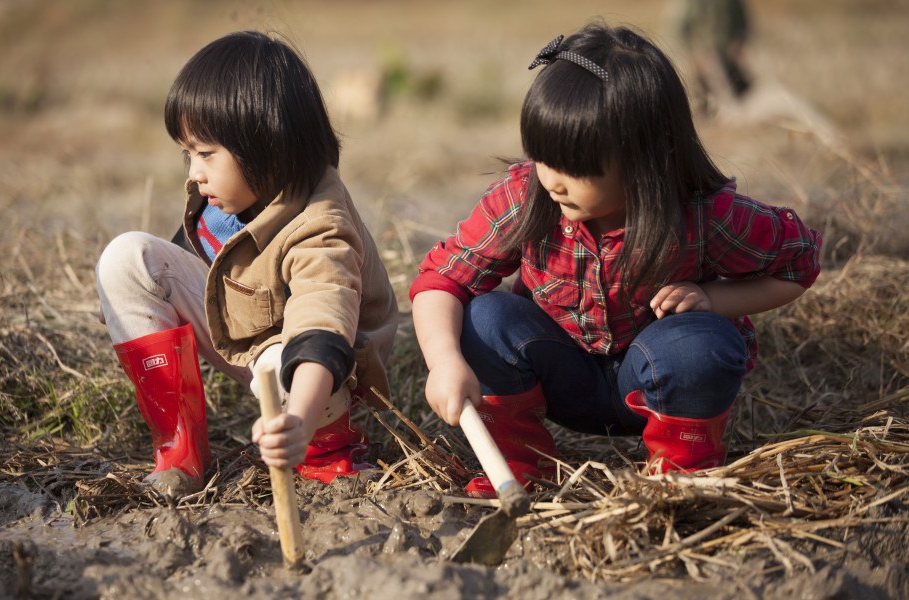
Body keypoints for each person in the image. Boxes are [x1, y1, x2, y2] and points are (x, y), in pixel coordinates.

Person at [410, 22, 821, 498]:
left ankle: (678, 475)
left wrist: (713, 299)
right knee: (484, 318)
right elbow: (442, 279)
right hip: (561, 376)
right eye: (543, 157)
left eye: (576, 168)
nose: (553, 180)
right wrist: (444, 361)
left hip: (658, 378)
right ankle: (519, 466)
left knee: (702, 344)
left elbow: (798, 263)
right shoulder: (525, 197)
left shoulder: (702, 213)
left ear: (645, 160)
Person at [96, 31, 399, 498]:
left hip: (323, 372)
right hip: (253, 334)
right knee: (126, 258)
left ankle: (325, 448)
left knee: (283, 365)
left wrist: (298, 418)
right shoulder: (229, 193)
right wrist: (130, 299)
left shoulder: (321, 226)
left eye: (205, 154)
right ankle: (179, 453)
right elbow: (188, 262)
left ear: (267, 148)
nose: (194, 173)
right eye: (187, 154)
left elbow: (322, 330)